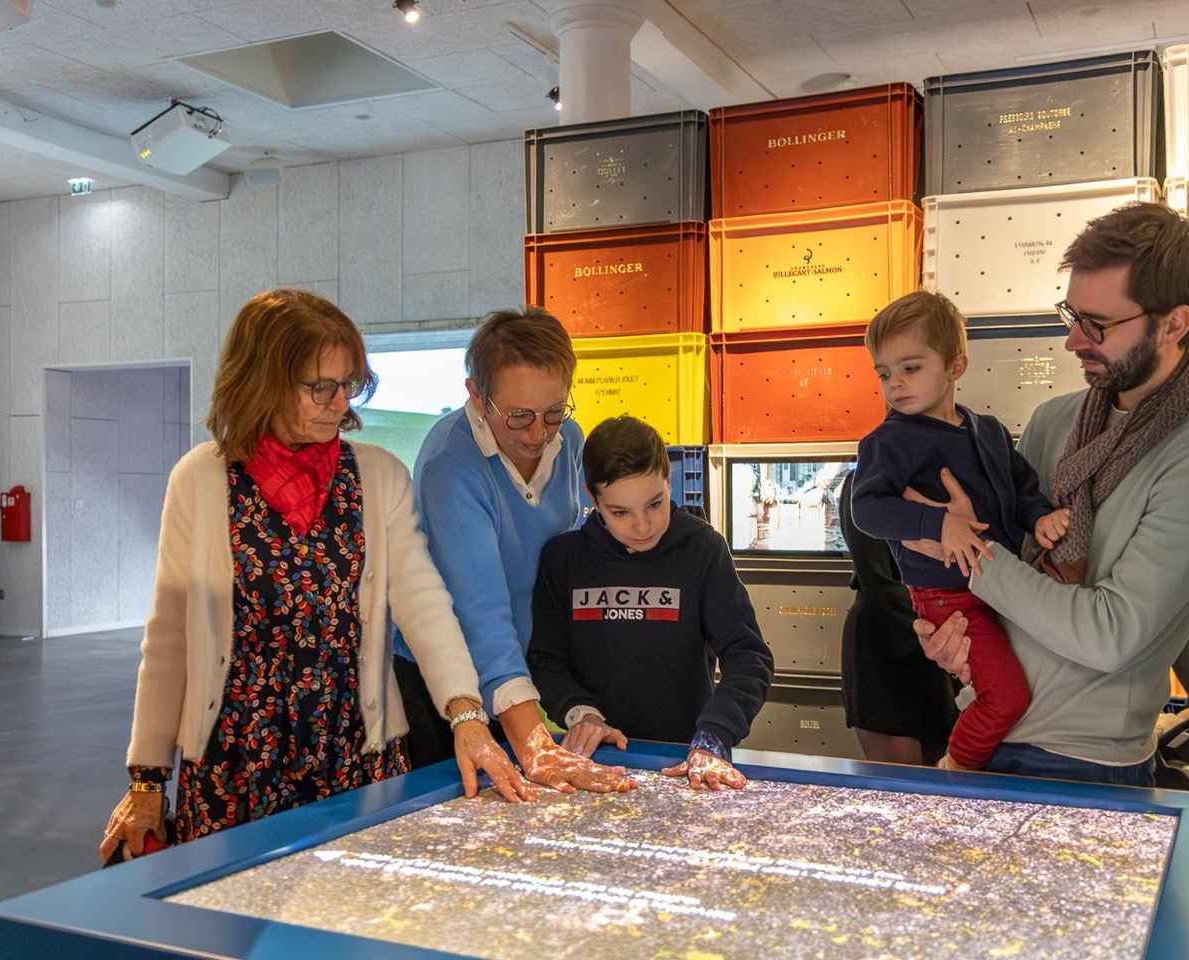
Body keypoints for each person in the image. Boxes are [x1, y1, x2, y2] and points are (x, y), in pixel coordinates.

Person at [100, 289, 529, 864]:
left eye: (349, 384)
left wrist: (466, 714)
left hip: (356, 759)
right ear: (263, 381)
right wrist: (147, 780)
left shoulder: (378, 477)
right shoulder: (199, 480)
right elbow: (169, 638)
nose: (339, 403)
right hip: (234, 768)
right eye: (320, 387)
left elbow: (424, 606)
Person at [909, 202, 1189, 786]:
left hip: (1082, 760)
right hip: (985, 724)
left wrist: (972, 555)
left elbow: (1109, 635)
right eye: (1072, 314)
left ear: (1174, 324)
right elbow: (1010, 585)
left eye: (1097, 324)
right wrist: (954, 636)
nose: (1073, 340)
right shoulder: (1054, 420)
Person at [396, 307, 635, 794]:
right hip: (443, 682)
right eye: (519, 416)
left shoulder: (569, 441)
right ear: (476, 396)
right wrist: (533, 743)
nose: (537, 433)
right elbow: (480, 611)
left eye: (553, 412)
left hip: (518, 670)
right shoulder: (450, 465)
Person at [849, 291, 1071, 771]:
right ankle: (956, 771)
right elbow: (866, 508)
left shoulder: (987, 430)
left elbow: (1020, 486)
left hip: (1002, 585)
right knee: (1006, 697)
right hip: (948, 594)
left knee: (1022, 684)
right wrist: (938, 523)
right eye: (883, 374)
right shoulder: (888, 441)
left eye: (911, 368)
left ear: (956, 366)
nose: (895, 384)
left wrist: (1039, 517)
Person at [527, 416, 774, 790]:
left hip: (685, 759)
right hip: (594, 761)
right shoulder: (563, 559)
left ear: (668, 480)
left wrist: (716, 734)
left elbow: (748, 656)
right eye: (620, 512)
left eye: (654, 504)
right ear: (593, 498)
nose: (642, 526)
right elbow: (545, 659)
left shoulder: (703, 549)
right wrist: (580, 713)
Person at [836, 471, 957, 766]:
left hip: (931, 639)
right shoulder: (866, 479)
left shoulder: (939, 475)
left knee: (941, 775)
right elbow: (876, 576)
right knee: (900, 781)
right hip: (886, 641)